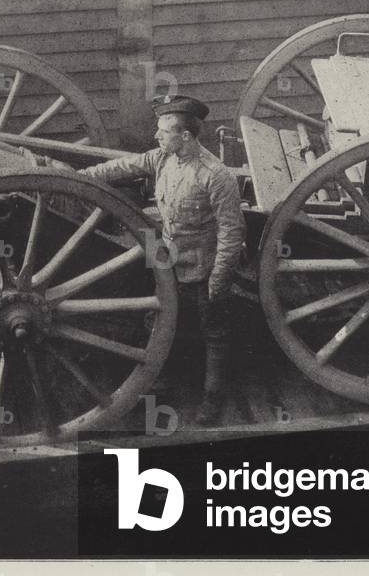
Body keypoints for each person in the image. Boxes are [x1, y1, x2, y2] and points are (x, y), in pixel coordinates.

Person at [80, 94, 246, 425]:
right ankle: (162, 381)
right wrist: (81, 177)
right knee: (159, 322)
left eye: (164, 131)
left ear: (186, 136)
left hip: (204, 267)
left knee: (214, 333)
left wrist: (218, 279)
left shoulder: (215, 176)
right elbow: (123, 166)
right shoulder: (164, 157)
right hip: (169, 259)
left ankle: (213, 398)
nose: (157, 136)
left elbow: (232, 232)